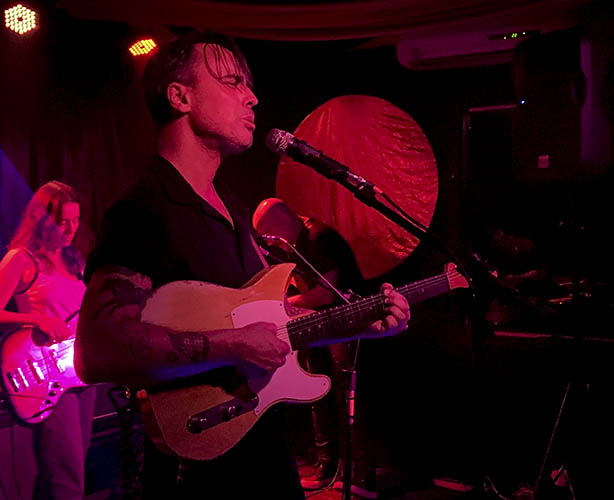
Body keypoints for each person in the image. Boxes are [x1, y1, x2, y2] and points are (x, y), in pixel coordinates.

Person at [74, 31, 410, 500]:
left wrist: (354, 324)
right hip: (196, 471)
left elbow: (270, 323)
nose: (251, 97)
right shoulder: (143, 210)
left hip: (263, 453)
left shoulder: (233, 209)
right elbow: (96, 349)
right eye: (232, 82)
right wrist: (234, 344)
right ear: (180, 97)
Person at [0, 180, 96, 500]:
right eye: (62, 222)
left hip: (79, 373)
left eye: (76, 220)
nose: (71, 229)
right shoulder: (21, 259)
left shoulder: (75, 260)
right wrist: (37, 319)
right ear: (42, 220)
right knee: (67, 477)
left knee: (70, 469)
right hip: (46, 375)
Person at [253, 197, 369, 491]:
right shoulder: (294, 246)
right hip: (318, 328)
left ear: (280, 223)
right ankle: (327, 466)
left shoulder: (319, 238)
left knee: (345, 397)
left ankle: (357, 471)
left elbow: (326, 294)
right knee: (319, 396)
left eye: (267, 234)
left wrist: (283, 305)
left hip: (343, 327)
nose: (268, 242)